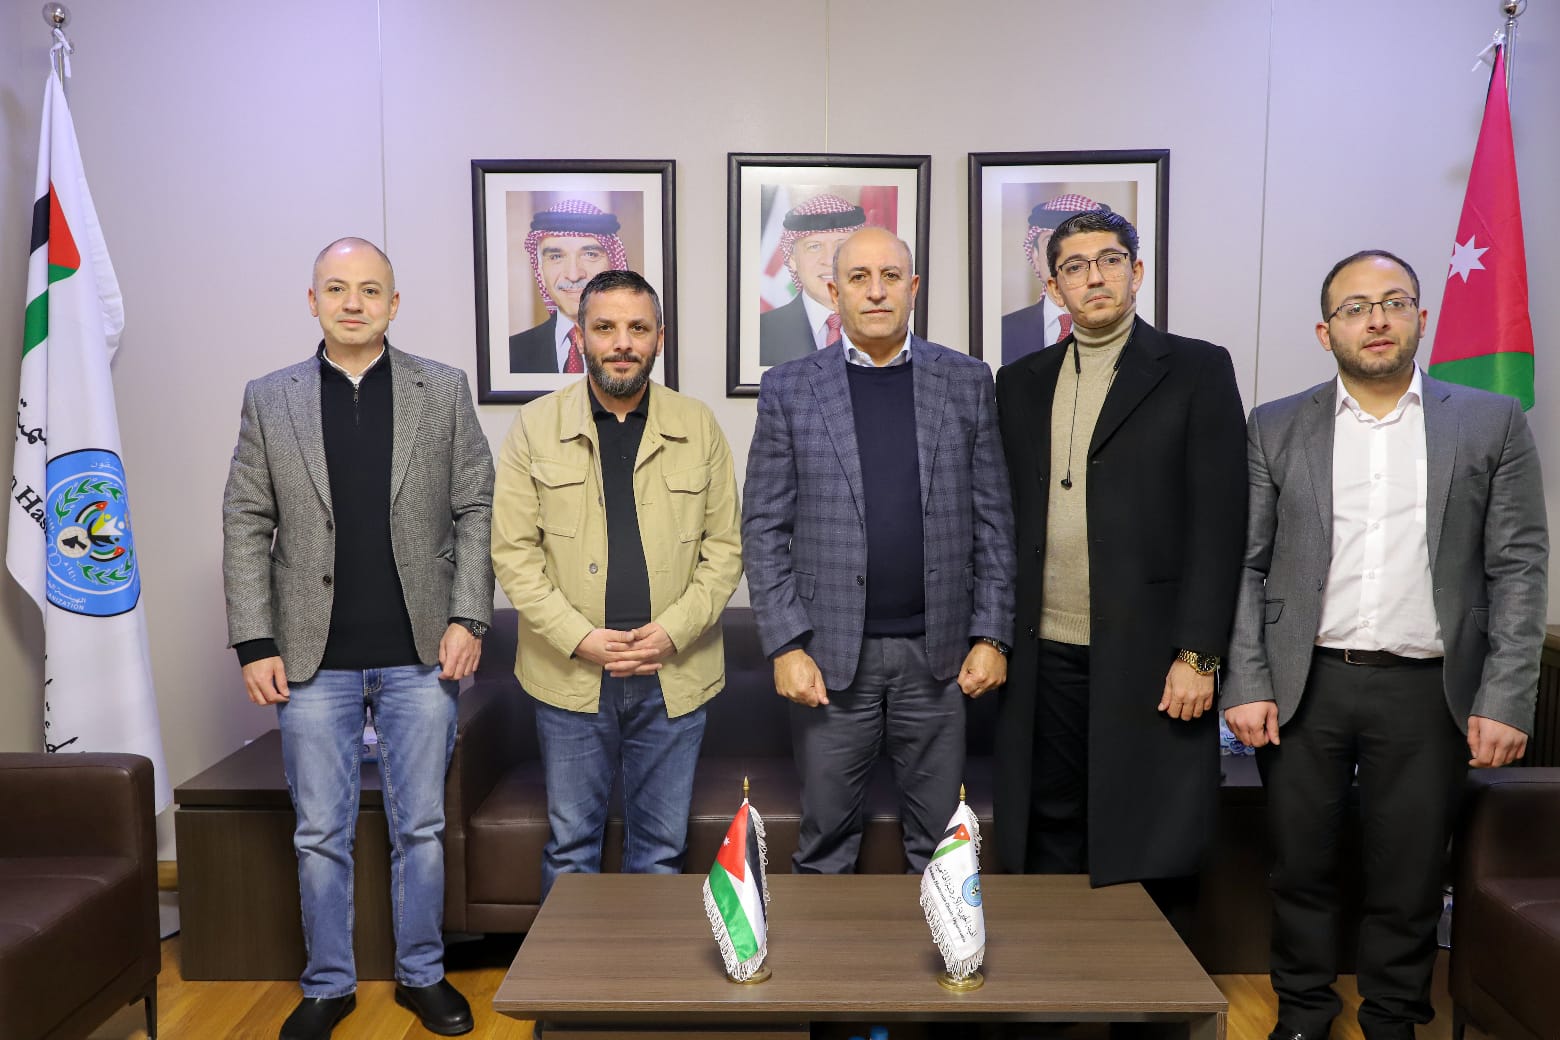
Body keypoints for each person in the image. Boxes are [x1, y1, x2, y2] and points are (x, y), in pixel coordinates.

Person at [1223, 249, 1548, 1040]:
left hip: (1428, 688)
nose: (1376, 319)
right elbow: (1246, 562)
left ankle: (1395, 1016)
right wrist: (1247, 680)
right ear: (1325, 331)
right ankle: (1303, 1012)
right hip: (1305, 684)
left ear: (1421, 318)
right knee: (1300, 865)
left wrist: (1507, 696)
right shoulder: (1276, 424)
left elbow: (1518, 565)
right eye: (1355, 307)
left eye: (1394, 302)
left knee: (1409, 873)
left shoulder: (1490, 421)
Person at [223, 238, 493, 1040]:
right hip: (310, 660)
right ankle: (328, 987)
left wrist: (469, 617)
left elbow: (476, 507)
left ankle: (423, 976)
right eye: (336, 289)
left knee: (421, 829)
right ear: (312, 301)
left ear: (393, 304)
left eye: (370, 290)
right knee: (319, 834)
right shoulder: (270, 398)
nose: (353, 303)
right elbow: (246, 521)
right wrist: (254, 642)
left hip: (421, 654)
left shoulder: (442, 389)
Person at [991, 210, 1247, 923]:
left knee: (1149, 834)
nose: (1094, 277)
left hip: (1154, 652)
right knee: (1050, 829)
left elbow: (1221, 523)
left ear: (1136, 272)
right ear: (1054, 287)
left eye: (1109, 260)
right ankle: (1056, 977)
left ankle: (1150, 986)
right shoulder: (1020, 381)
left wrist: (1199, 654)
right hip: (1044, 651)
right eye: (1074, 267)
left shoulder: (1196, 368)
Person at [743, 226, 1016, 874]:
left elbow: (994, 520)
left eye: (890, 276)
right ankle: (825, 949)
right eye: (859, 278)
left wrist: (993, 636)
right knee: (825, 843)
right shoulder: (789, 387)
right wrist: (786, 647)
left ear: (913, 287)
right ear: (833, 290)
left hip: (940, 658)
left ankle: (940, 945)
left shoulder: (965, 380)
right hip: (830, 659)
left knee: (941, 848)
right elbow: (764, 527)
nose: (875, 291)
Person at [492, 269, 742, 898]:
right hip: (570, 675)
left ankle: (646, 967)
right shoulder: (535, 426)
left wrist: (671, 633)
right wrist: (581, 639)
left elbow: (725, 550)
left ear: (660, 338)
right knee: (571, 848)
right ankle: (568, 967)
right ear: (580, 337)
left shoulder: (699, 425)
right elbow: (514, 554)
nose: (622, 342)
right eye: (605, 328)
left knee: (660, 850)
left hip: (673, 675)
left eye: (638, 328)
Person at [509, 199, 629, 373]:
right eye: (556, 257)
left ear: (614, 266)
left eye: (590, 254)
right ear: (540, 270)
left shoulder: (639, 349)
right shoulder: (512, 353)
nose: (573, 275)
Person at [758, 193, 867, 366]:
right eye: (814, 247)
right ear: (793, 260)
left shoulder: (887, 328)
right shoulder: (762, 333)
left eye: (841, 245)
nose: (830, 259)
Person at [999, 194, 1107, 365]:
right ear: (1035, 256)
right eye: (1050, 242)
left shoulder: (1124, 330)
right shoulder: (1003, 331)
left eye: (1079, 244)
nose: (1066, 257)